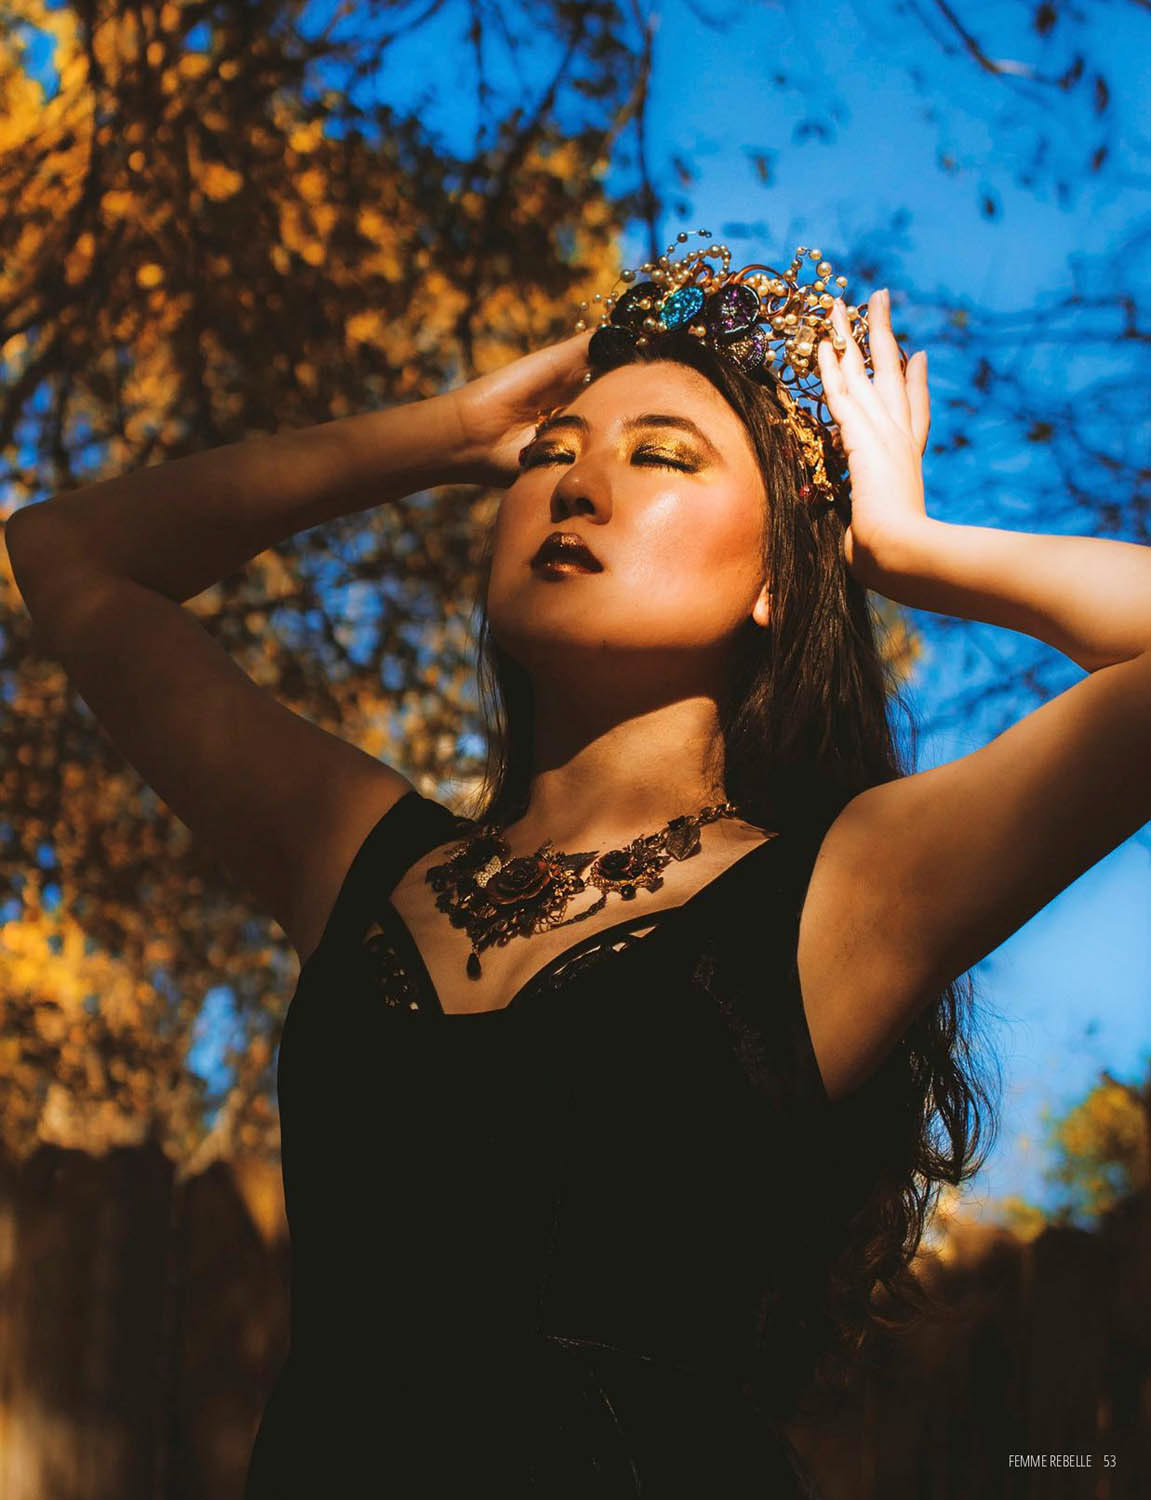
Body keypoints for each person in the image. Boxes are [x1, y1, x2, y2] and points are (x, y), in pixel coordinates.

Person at [7, 231, 1151, 1496]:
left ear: (775, 579)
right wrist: (444, 432)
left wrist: (905, 551)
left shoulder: (846, 894)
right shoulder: (356, 855)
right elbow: (67, 554)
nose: (576, 486)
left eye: (660, 456)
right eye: (548, 454)